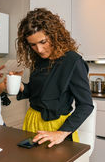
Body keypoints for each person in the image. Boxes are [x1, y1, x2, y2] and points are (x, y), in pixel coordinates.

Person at [15, 8, 94, 147]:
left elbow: (86, 105)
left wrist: (61, 132)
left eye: (43, 41)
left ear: (54, 35)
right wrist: (20, 86)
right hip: (31, 121)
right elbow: (36, 93)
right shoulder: (38, 60)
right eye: (33, 45)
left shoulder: (73, 62)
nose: (39, 49)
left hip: (56, 128)